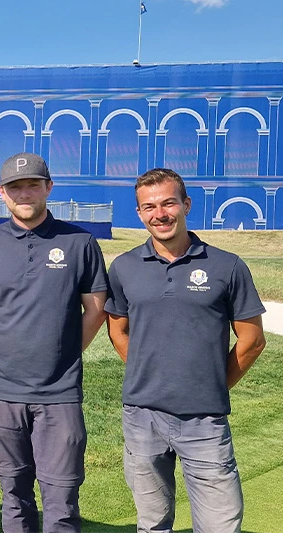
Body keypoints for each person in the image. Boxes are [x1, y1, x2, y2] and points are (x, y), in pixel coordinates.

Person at [105, 168, 266, 533]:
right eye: (148, 207)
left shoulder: (227, 265)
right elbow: (117, 329)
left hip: (204, 420)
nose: (159, 214)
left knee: (220, 525)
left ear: (186, 204)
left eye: (168, 203)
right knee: (152, 523)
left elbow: (252, 340)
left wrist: (211, 384)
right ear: (140, 213)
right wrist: (150, 373)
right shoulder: (125, 267)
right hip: (142, 416)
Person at [0, 152, 108, 532]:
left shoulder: (79, 242)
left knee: (61, 500)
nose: (24, 193)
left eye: (32, 184)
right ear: (2, 192)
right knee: (14, 496)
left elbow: (95, 310)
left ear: (49, 187)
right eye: (15, 186)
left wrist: (62, 354)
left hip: (59, 393)